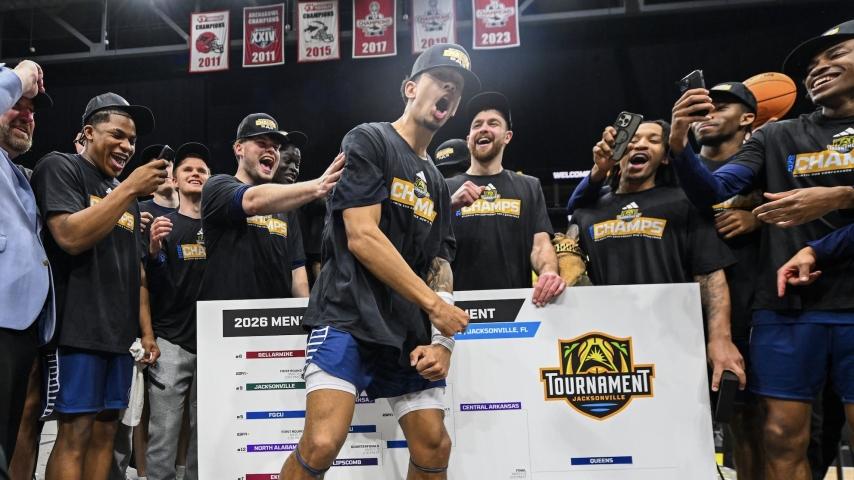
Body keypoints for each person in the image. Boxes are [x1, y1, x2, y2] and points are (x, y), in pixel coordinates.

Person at [667, 20, 854, 480]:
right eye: (812, 65)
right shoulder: (777, 136)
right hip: (786, 310)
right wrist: (679, 144)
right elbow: (712, 190)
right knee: (780, 439)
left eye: (835, 55)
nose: (819, 67)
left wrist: (843, 195)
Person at [280, 43, 476, 480]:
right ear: (410, 88)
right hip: (347, 315)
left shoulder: (438, 184)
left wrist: (443, 343)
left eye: (457, 87)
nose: (449, 89)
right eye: (440, 79)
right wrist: (433, 305)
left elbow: (440, 262)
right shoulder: (370, 139)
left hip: (404, 329)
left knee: (434, 445)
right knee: (322, 442)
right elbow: (363, 237)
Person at [31, 92, 164, 480]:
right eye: (117, 135)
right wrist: (129, 189)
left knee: (106, 434)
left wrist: (144, 332)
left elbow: (135, 271)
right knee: (74, 434)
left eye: (132, 140)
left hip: (118, 337)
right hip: (75, 331)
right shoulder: (61, 166)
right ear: (88, 132)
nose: (127, 146)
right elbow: (69, 236)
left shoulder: (123, 193)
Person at [568, 120, 746, 393]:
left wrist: (720, 338)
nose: (640, 144)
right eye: (632, 139)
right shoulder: (586, 211)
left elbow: (709, 273)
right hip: (608, 346)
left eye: (652, 140)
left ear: (664, 157)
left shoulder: (685, 202)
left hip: (675, 340)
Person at [692, 81, 764, 479]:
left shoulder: (764, 164)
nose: (708, 114)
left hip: (748, 307)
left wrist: (758, 218)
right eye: (702, 109)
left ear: (747, 118)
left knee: (749, 422)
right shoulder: (676, 168)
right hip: (681, 309)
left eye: (720, 107)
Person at [198, 113, 341, 304]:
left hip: (275, 317)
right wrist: (317, 186)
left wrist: (304, 312)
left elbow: (297, 269)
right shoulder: (216, 186)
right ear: (239, 148)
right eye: (262, 143)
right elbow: (253, 201)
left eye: (275, 147)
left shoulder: (286, 208)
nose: (271, 151)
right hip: (228, 317)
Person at [446, 92, 564, 306]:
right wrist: (448, 205)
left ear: (507, 136)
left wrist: (549, 272)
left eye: (493, 123)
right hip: (458, 309)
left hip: (516, 310)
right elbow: (429, 247)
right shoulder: (446, 188)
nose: (483, 128)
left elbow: (539, 245)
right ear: (468, 139)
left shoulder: (529, 186)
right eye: (477, 125)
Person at [145, 142, 212, 480]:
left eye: (202, 170)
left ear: (211, 179)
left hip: (214, 343)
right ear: (174, 178)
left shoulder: (221, 229)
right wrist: (154, 250)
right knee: (163, 432)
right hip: (171, 340)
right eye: (188, 169)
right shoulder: (162, 225)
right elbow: (152, 286)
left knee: (207, 431)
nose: (195, 174)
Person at [0, 59, 54, 467]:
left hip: (20, 326)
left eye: (32, 111)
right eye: (16, 104)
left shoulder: (16, 173)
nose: (26, 115)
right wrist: (21, 74)